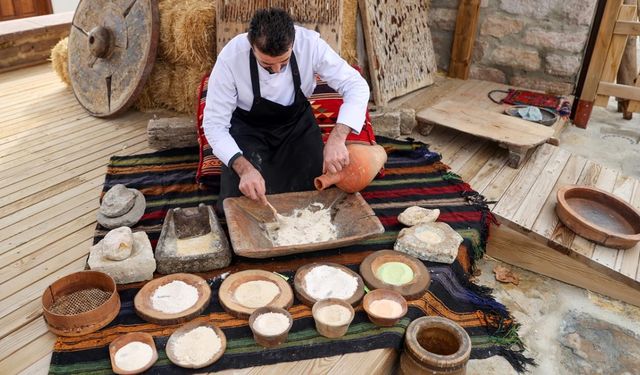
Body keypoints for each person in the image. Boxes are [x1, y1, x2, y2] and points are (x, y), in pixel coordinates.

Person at [202, 7, 369, 210]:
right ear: (251, 45)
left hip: (296, 126)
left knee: (318, 196)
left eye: (284, 62)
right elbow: (214, 125)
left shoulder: (310, 44)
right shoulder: (231, 57)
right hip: (248, 130)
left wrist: (337, 138)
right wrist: (244, 168)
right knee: (241, 202)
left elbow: (356, 85)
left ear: (293, 42)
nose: (277, 70)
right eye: (266, 65)